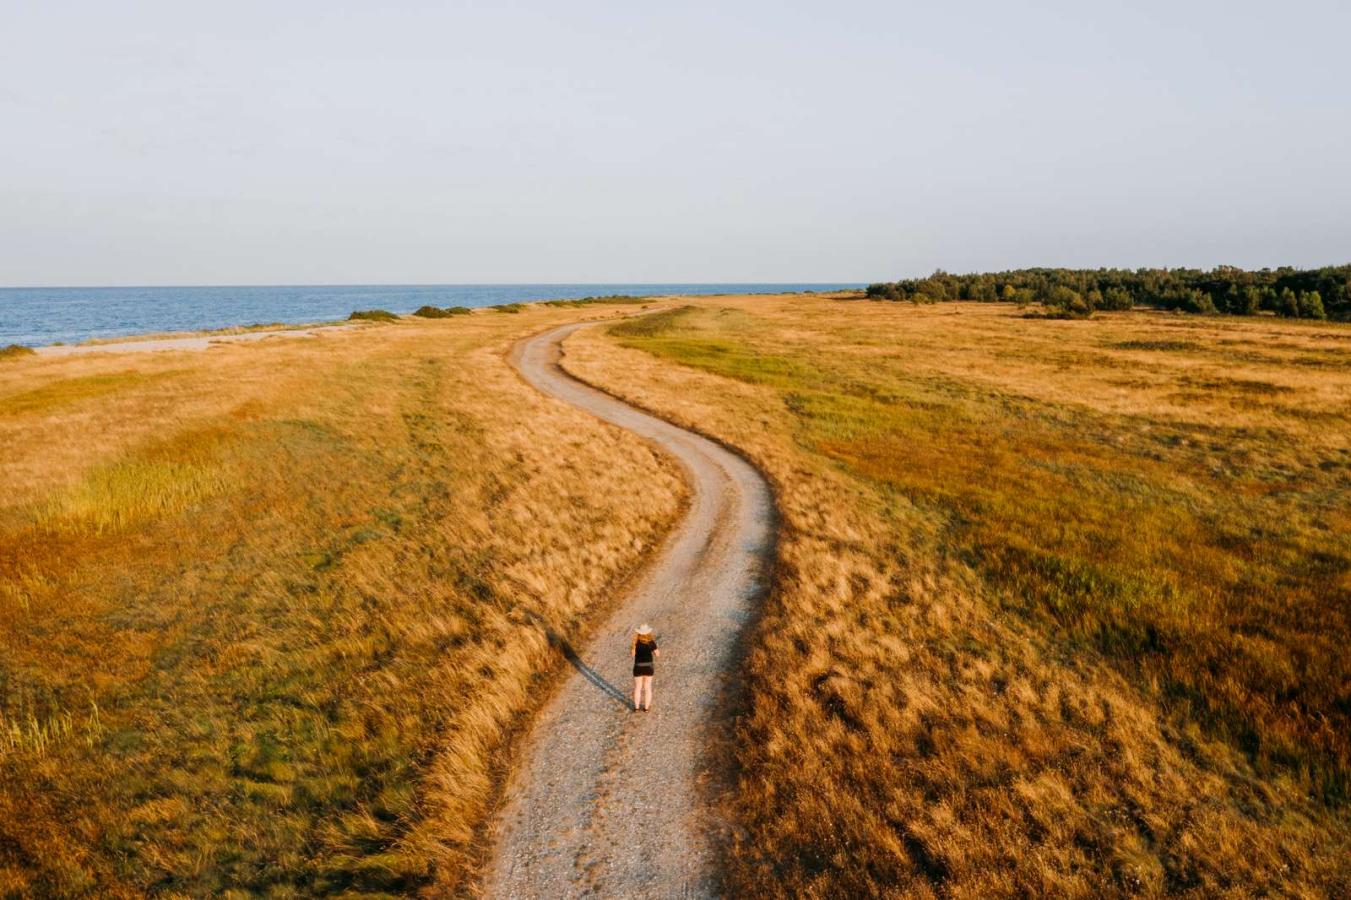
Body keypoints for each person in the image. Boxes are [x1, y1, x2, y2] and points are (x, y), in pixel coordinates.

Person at [631, 624, 659, 712]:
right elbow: (658, 654)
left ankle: (636, 707)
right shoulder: (651, 642)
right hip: (648, 667)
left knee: (638, 687)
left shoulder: (635, 642)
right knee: (647, 687)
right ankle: (646, 708)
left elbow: (632, 654)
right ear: (648, 633)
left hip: (638, 667)